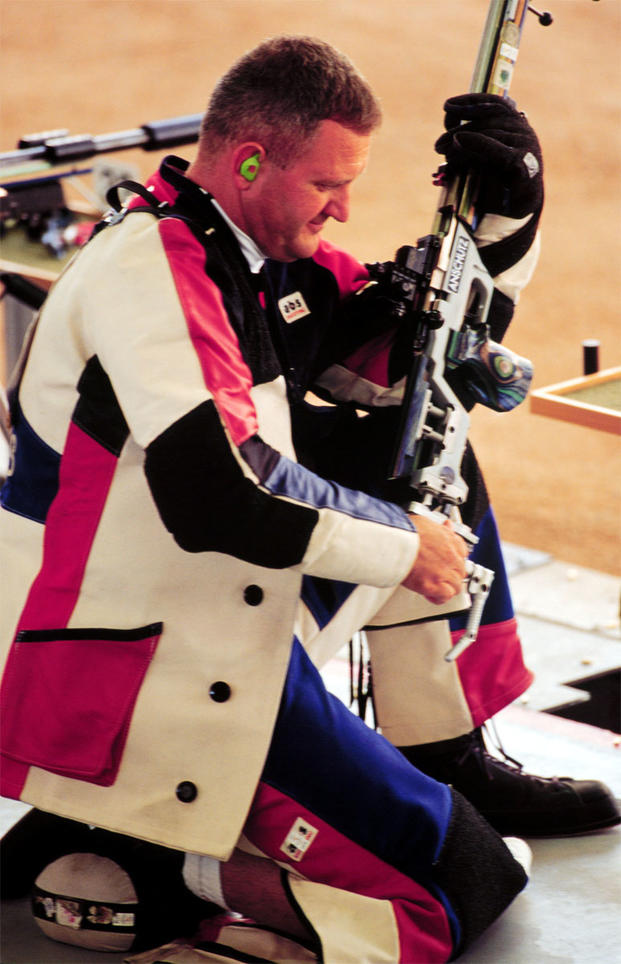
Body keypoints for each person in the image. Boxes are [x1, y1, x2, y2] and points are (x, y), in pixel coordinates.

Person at [0, 36, 617, 962]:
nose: (344, 209)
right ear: (249, 161)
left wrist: (506, 227)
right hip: (133, 669)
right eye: (330, 185)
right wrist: (404, 544)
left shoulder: (247, 249)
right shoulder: (154, 270)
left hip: (205, 614)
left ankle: (438, 753)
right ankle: (168, 865)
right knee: (468, 886)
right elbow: (224, 493)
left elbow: (414, 367)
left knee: (416, 452)